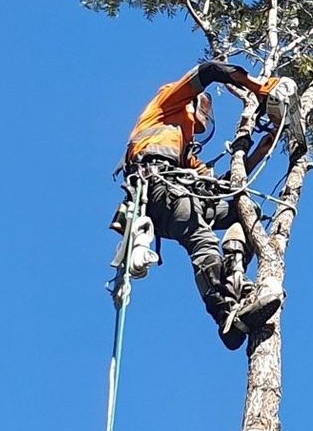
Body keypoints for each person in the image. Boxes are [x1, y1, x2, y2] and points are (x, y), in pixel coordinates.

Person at [115, 60, 282, 350]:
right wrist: (259, 89)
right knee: (201, 239)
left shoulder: (186, 155)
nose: (200, 124)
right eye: (200, 115)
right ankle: (224, 314)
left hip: (181, 195)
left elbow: (223, 188)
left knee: (246, 213)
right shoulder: (168, 106)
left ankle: (235, 281)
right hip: (159, 188)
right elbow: (209, 70)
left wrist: (256, 153)